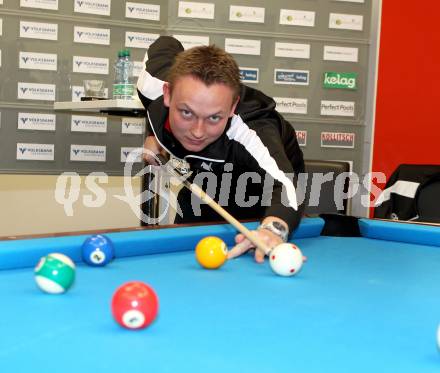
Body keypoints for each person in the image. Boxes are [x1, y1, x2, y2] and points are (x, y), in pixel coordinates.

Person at [137, 36, 305, 263]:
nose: (197, 131)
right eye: (186, 112)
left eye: (214, 117)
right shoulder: (152, 86)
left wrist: (273, 229)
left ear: (233, 107)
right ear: (167, 94)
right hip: (204, 180)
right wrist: (153, 135)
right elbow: (166, 42)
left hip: (259, 193)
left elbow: (286, 184)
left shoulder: (250, 130)